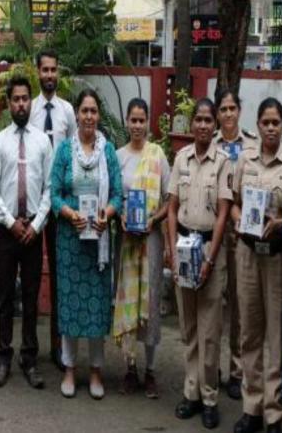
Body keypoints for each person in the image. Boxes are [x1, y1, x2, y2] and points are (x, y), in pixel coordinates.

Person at [230, 98, 282, 433]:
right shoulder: (244, 160)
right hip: (246, 254)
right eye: (265, 122)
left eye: (276, 122)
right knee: (249, 333)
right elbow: (233, 204)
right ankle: (252, 408)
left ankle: (274, 412)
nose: (271, 127)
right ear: (257, 125)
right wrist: (240, 218)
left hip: (276, 259)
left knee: (276, 336)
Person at [50, 88, 122, 400]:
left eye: (94, 111)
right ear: (76, 114)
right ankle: (69, 369)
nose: (89, 116)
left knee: (95, 311)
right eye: (85, 111)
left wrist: (107, 213)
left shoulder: (108, 151)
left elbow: (118, 193)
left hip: (98, 246)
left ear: (98, 116)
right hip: (70, 242)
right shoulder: (65, 152)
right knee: (70, 307)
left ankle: (95, 371)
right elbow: (53, 193)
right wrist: (68, 213)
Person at [168, 98, 232, 429]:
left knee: (210, 332)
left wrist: (210, 256)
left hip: (210, 251)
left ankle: (209, 397)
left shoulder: (222, 162)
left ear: (215, 126)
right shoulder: (181, 159)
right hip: (183, 248)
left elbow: (223, 212)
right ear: (192, 124)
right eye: (199, 120)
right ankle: (190, 393)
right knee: (189, 328)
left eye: (209, 120)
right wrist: (170, 250)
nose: (204, 125)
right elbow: (171, 208)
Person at [0, 75, 53, 389]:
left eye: (26, 98)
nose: (21, 104)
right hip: (7, 233)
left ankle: (29, 359)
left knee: (30, 297)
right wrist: (11, 222)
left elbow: (49, 189)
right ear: (9, 103)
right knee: (5, 298)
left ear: (31, 101)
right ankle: (3, 358)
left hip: (33, 233)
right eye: (16, 99)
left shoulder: (43, 142)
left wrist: (36, 224)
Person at [112, 98, 170, 399]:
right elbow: (113, 196)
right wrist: (121, 215)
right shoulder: (118, 156)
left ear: (148, 122)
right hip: (126, 241)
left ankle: (149, 371)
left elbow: (169, 198)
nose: (137, 125)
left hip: (151, 238)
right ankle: (130, 369)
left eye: (141, 120)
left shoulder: (158, 156)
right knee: (128, 302)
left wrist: (154, 219)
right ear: (126, 122)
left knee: (149, 304)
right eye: (132, 120)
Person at [29, 49, 78, 369]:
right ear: (37, 73)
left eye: (53, 69)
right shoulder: (29, 108)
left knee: (60, 276)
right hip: (35, 205)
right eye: (44, 69)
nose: (49, 75)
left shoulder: (68, 111)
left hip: (60, 204)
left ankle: (59, 347)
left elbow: (74, 151)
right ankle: (29, 347)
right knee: (32, 277)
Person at [214, 88, 260, 401]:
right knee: (215, 302)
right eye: (223, 109)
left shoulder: (252, 145)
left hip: (244, 236)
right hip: (216, 234)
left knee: (241, 307)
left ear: (239, 111)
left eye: (233, 108)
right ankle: (211, 368)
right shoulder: (210, 142)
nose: (228, 114)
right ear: (217, 113)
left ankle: (236, 371)